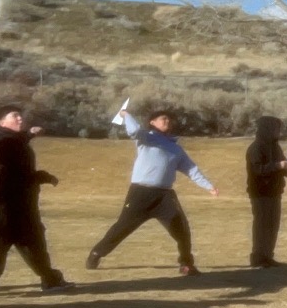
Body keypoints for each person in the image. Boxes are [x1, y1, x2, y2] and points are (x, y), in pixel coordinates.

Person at [88, 107, 218, 275]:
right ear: (152, 122)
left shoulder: (175, 149)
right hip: (140, 193)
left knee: (182, 229)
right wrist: (125, 114)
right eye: (163, 118)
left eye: (169, 119)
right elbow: (134, 130)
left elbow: (191, 169)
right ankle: (96, 253)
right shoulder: (145, 138)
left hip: (164, 196)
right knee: (122, 228)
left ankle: (186, 264)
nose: (167, 121)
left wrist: (209, 186)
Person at [0, 105, 70, 292]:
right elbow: (8, 152)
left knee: (34, 240)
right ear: (2, 122)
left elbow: (21, 172)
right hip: (2, 200)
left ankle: (50, 279)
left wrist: (41, 176)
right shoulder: (0, 138)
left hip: (24, 202)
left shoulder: (18, 142)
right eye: (15, 116)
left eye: (21, 116)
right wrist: (30, 134)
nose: (20, 119)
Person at [245, 116, 287, 268]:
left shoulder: (276, 147)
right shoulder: (256, 148)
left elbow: (282, 166)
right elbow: (258, 170)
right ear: (267, 129)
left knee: (273, 225)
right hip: (260, 193)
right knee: (261, 225)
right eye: (276, 128)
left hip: (275, 192)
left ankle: (268, 256)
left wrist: (286, 168)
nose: (278, 132)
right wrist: (278, 166)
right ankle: (257, 258)